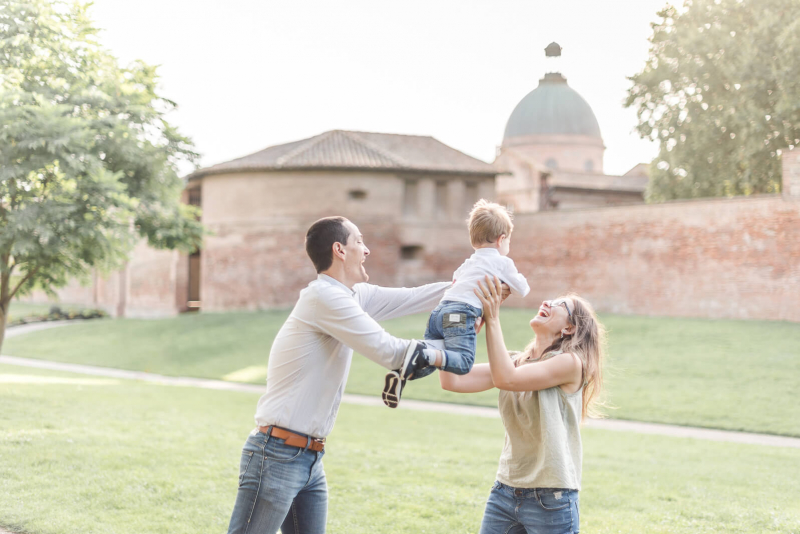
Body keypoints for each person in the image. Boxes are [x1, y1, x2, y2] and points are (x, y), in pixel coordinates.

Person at [226, 216, 448, 534]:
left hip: (310, 458)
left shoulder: (352, 296)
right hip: (275, 455)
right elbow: (392, 352)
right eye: (359, 241)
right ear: (339, 250)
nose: (367, 250)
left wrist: (473, 289)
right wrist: (451, 353)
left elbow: (417, 297)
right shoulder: (323, 297)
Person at [439, 275, 606, 534]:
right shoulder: (514, 362)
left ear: (569, 328)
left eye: (560, 304)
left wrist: (493, 317)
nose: (548, 302)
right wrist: (452, 331)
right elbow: (452, 381)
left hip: (551, 498)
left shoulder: (571, 363)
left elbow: (507, 379)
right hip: (505, 489)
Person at [382, 200, 530, 408]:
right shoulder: (502, 262)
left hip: (440, 313)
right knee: (462, 363)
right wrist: (507, 281)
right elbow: (523, 289)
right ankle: (422, 352)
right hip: (459, 315)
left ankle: (401, 373)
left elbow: (455, 282)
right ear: (501, 239)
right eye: (508, 241)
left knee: (440, 358)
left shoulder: (469, 263)